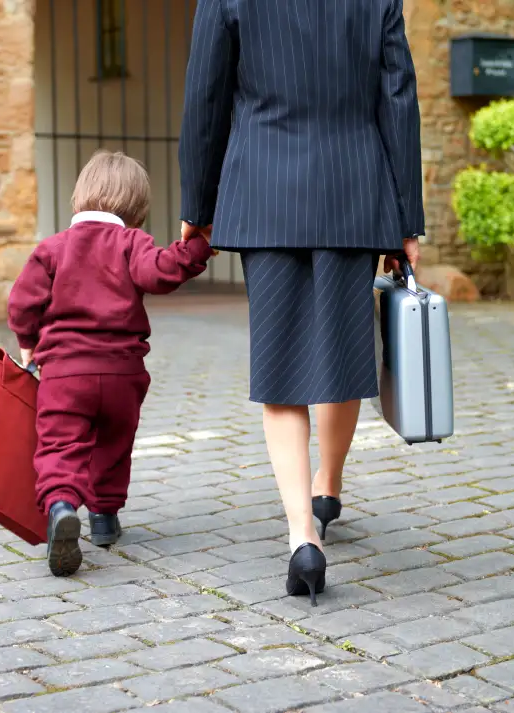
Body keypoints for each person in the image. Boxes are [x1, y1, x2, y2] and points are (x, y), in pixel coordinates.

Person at [179, 0, 423, 606]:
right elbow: (399, 100)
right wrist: (407, 217)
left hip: (264, 193)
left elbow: (206, 96)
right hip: (353, 190)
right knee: (343, 356)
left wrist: (196, 206)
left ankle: (301, 537)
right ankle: (329, 484)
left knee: (281, 374)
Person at [8, 150, 214, 577]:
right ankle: (104, 519)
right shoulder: (132, 243)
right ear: (137, 208)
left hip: (64, 374)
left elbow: (23, 302)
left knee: (61, 445)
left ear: (79, 197)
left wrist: (29, 342)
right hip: (123, 374)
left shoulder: (51, 249)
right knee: (114, 445)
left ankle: (63, 504)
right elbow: (161, 272)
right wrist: (199, 246)